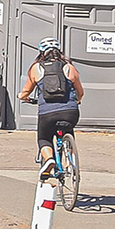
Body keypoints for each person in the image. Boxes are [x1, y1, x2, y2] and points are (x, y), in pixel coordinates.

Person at [19, 37, 83, 173]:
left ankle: (49, 159)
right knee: (68, 129)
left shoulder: (36, 68)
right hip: (70, 111)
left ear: (41, 53)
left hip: (47, 113)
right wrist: (77, 100)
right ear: (59, 52)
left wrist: (23, 97)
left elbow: (26, 91)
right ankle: (68, 163)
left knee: (44, 137)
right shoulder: (69, 68)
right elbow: (80, 92)